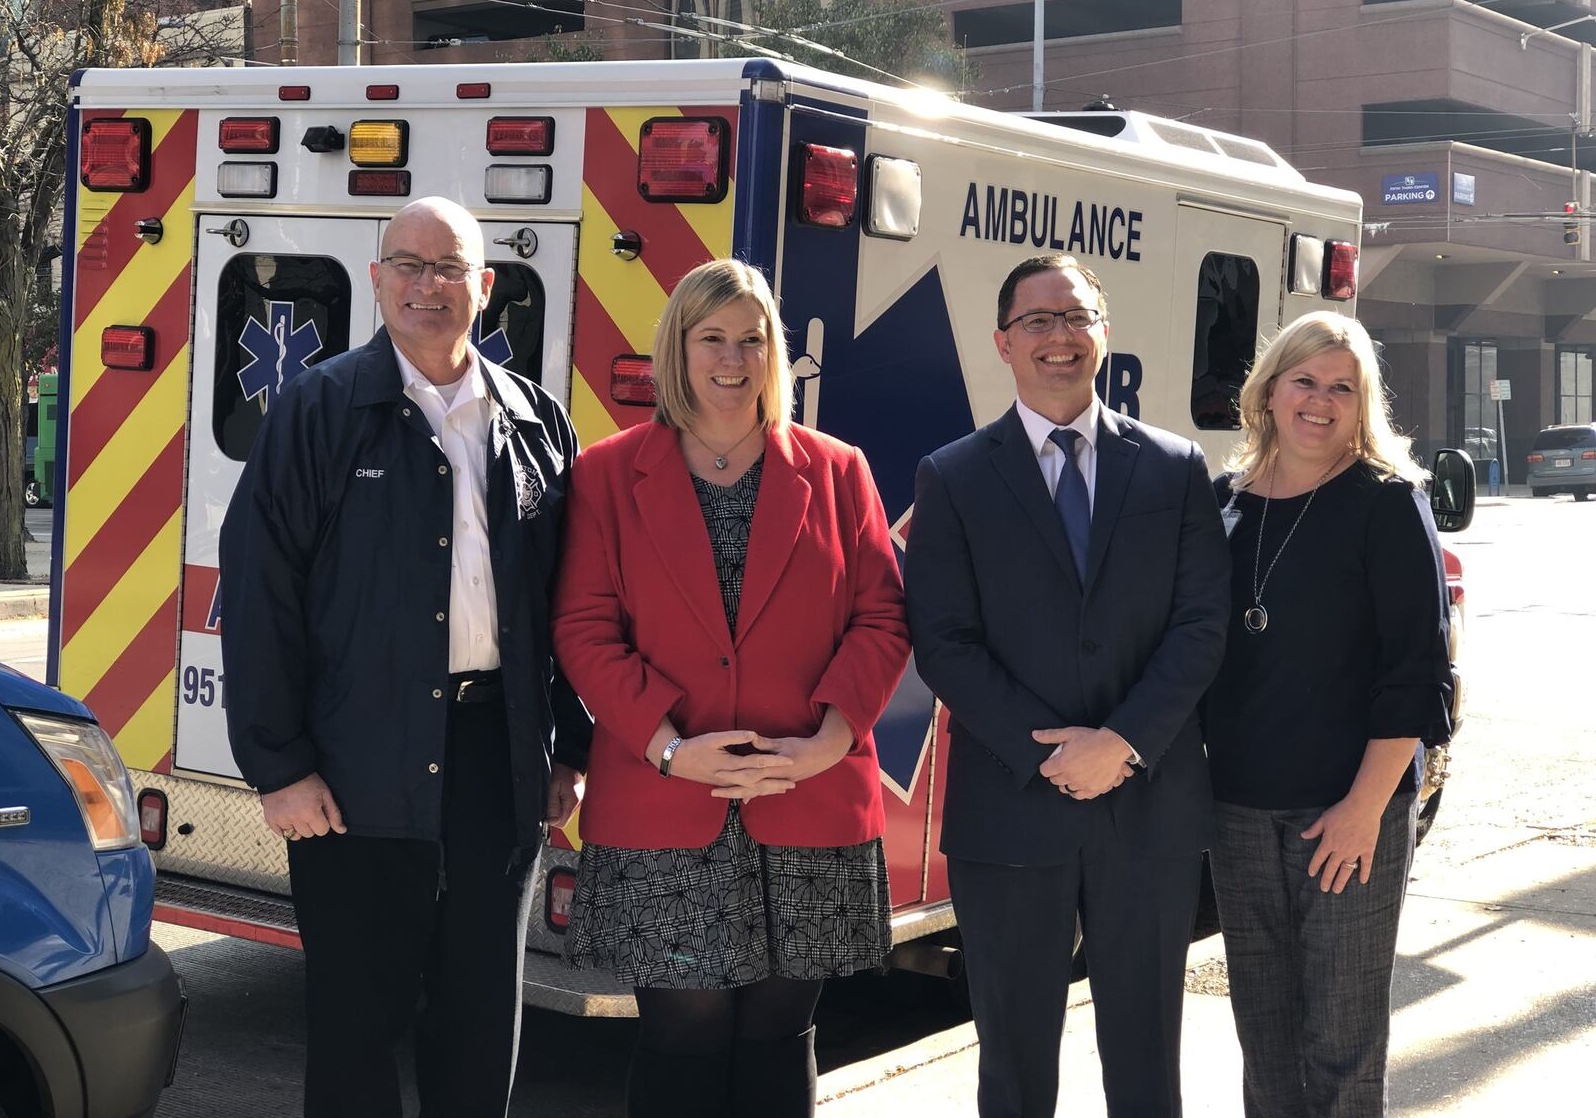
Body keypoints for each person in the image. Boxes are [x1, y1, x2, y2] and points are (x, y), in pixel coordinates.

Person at [220, 196, 589, 1118]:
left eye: (451, 267)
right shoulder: (318, 409)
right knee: (356, 1031)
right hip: (352, 772)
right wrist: (280, 766)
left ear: (486, 286)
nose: (430, 286)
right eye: (410, 266)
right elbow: (260, 594)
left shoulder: (536, 422)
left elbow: (571, 601)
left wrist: (570, 749)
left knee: (478, 1022)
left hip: (493, 765)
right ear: (377, 280)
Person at [551, 257, 909, 1118]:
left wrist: (829, 739)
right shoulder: (607, 472)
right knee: (685, 1035)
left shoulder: (836, 470)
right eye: (712, 337)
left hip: (809, 791)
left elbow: (883, 619)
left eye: (753, 339)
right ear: (679, 346)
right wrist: (672, 748)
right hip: (666, 798)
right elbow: (584, 629)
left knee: (779, 1034)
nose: (733, 358)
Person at [904, 253, 1230, 1118]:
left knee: (1148, 1065)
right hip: (1012, 812)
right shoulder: (954, 476)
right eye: (1039, 321)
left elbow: (1202, 627)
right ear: (1003, 342)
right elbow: (943, 640)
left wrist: (1121, 745)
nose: (1060, 336)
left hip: (1148, 810)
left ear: (1104, 334)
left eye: (1076, 317)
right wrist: (1050, 755)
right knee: (1012, 1068)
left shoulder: (1174, 467)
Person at [1205, 312, 1452, 1117]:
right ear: (1269, 391)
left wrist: (1365, 810)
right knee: (1264, 1033)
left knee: (1342, 1042)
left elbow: (1418, 677)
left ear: (1363, 404)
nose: (1320, 400)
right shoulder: (1226, 503)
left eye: (1342, 387)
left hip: (1349, 812)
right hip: (1238, 811)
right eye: (1304, 380)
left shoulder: (1386, 503)